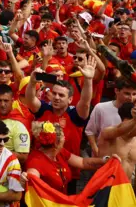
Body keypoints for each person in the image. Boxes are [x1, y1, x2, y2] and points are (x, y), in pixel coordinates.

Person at [25, 56, 96, 194]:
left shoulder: (75, 115)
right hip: (41, 168)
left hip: (68, 169)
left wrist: (88, 80)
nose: (56, 97)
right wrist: (32, 83)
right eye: (54, 94)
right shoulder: (44, 109)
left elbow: (86, 101)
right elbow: (30, 100)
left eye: (61, 95)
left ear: (70, 99)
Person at [25, 122, 115, 195]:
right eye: (63, 136)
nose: (65, 138)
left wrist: (106, 161)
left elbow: (83, 162)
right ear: (57, 143)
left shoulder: (60, 152)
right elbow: (32, 179)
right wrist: (27, 178)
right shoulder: (35, 161)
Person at [97, 102, 136, 199]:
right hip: (105, 191)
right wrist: (135, 120)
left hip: (125, 191)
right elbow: (118, 131)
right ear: (126, 121)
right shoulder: (109, 134)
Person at [85, 77, 136, 156]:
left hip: (126, 158)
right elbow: (90, 131)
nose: (131, 98)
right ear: (116, 90)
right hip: (103, 157)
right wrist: (95, 149)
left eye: (134, 94)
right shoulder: (101, 108)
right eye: (127, 93)